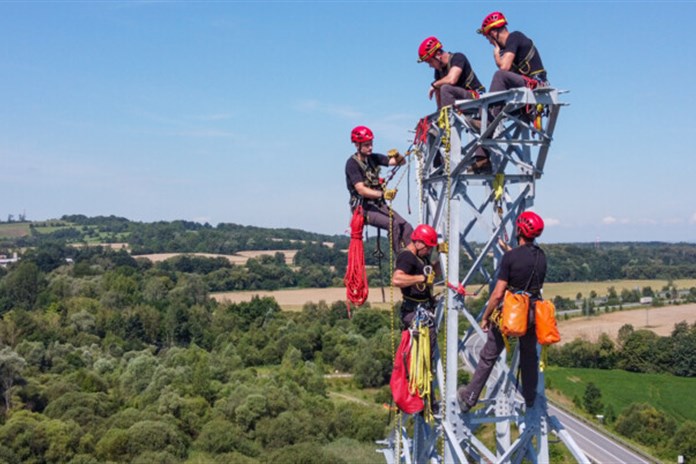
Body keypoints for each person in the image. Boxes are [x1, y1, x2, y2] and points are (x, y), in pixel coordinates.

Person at [457, 211, 547, 412]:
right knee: (529, 355)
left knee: (489, 354)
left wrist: (486, 316)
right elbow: (526, 267)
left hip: (512, 312)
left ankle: (469, 397)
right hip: (533, 313)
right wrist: (509, 251)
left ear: (519, 230)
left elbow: (498, 294)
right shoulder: (541, 256)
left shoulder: (510, 257)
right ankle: (530, 399)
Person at [345, 125, 413, 253]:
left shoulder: (373, 158)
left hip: (378, 205)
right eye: (366, 145)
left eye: (371, 144)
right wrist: (382, 194)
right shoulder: (352, 164)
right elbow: (361, 190)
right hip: (363, 208)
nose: (370, 147)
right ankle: (403, 259)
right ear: (357, 145)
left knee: (406, 227)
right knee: (392, 224)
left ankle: (415, 256)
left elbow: (400, 162)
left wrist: (397, 155)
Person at [392, 224, 440, 361]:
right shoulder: (407, 257)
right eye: (428, 247)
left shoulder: (422, 257)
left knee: (426, 353)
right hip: (414, 311)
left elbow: (433, 274)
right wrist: (422, 278)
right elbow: (396, 279)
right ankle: (418, 381)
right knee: (422, 356)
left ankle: (424, 379)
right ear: (418, 243)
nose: (429, 250)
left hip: (423, 309)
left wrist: (441, 257)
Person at [477, 12, 549, 93]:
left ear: (493, 33)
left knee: (499, 76)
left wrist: (496, 53)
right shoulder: (508, 49)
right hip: (528, 83)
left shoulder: (514, 37)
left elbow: (504, 68)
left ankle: (489, 105)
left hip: (535, 82)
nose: (490, 42)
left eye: (488, 38)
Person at [417, 36, 486, 109]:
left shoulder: (458, 58)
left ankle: (448, 117)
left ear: (438, 55)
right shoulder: (439, 70)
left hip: (475, 98)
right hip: (460, 101)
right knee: (441, 88)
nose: (430, 66)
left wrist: (434, 85)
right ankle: (446, 116)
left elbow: (452, 79)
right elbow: (438, 91)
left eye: (430, 62)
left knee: (445, 88)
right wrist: (439, 110)